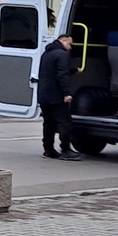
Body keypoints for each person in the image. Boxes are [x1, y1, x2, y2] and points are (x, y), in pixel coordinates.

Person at [37, 29, 79, 159]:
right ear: (64, 41)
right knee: (65, 122)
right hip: (56, 96)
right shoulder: (62, 54)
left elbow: (52, 71)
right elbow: (62, 75)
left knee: (49, 123)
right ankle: (65, 149)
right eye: (69, 44)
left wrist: (73, 69)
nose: (70, 48)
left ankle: (48, 150)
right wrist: (67, 93)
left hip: (44, 95)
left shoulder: (47, 54)